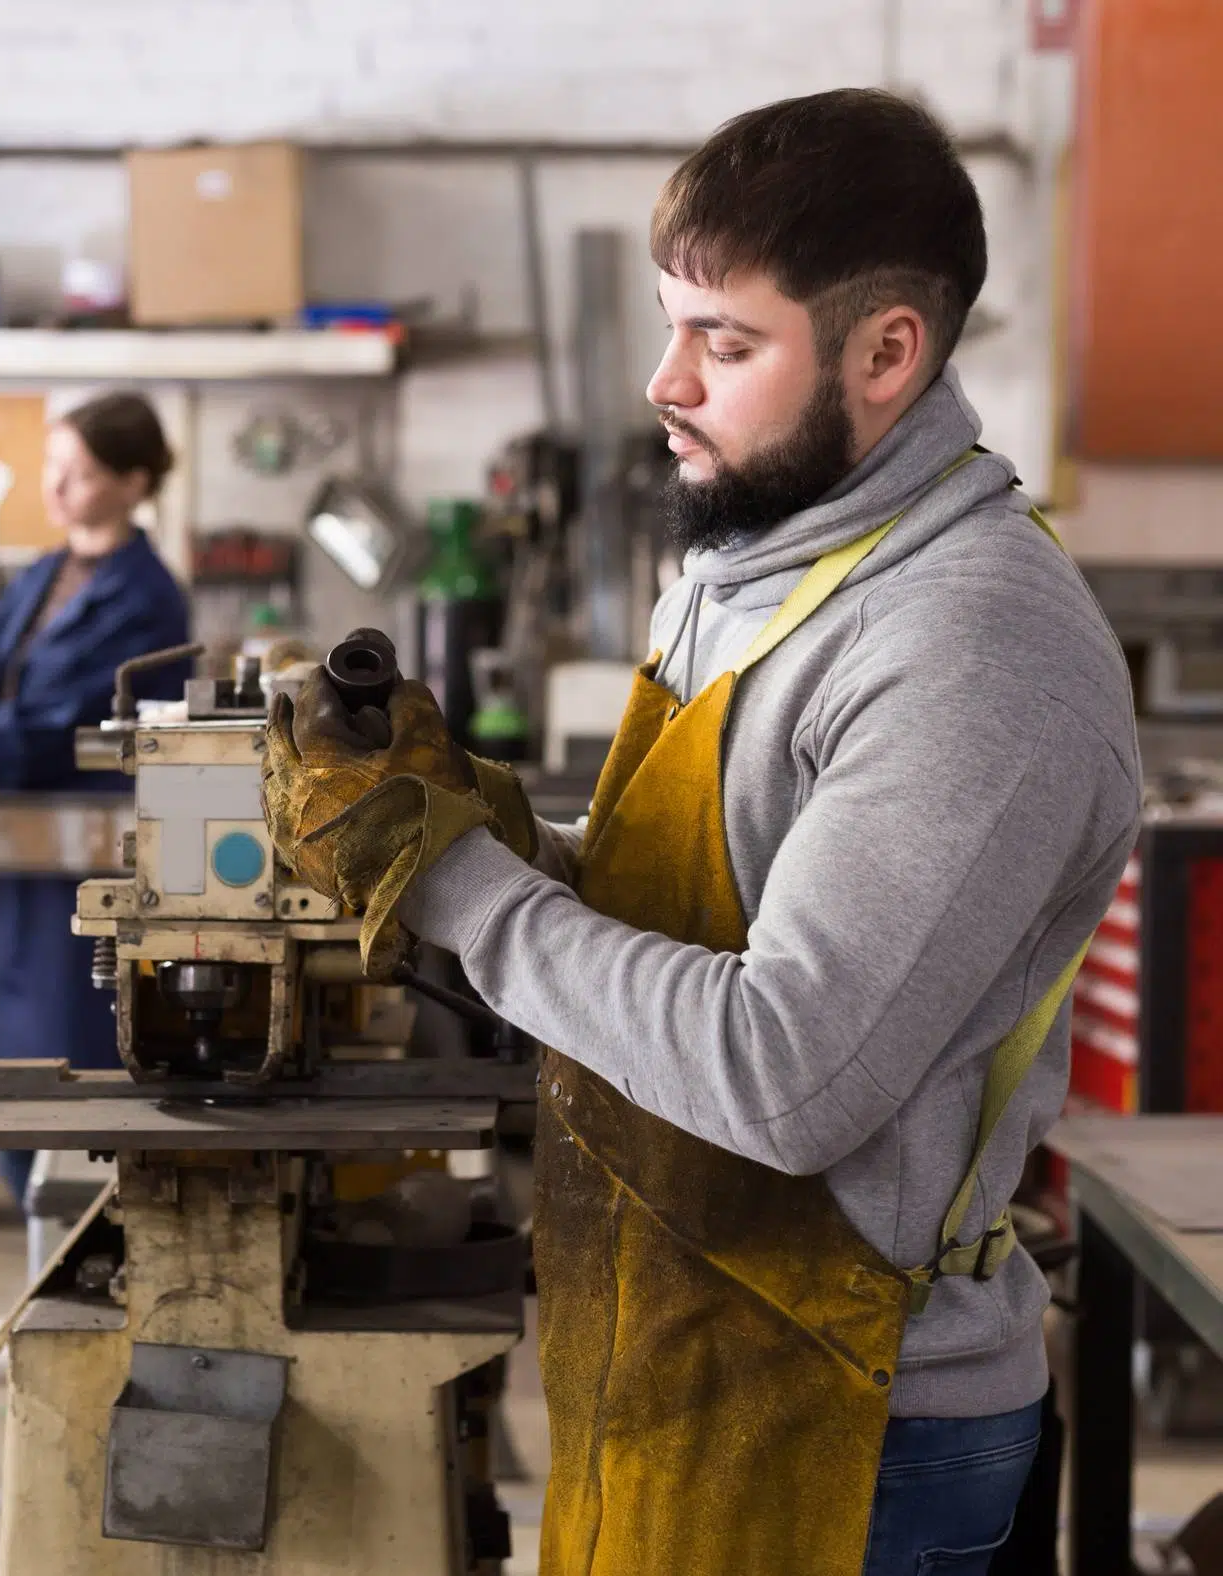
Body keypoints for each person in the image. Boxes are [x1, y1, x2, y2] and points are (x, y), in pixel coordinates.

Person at [262, 90, 1141, 1576]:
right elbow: (676, 921)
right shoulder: (746, 559)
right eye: (670, 327)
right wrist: (479, 827)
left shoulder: (968, 645)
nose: (664, 383)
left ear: (883, 353)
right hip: (673, 1344)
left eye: (723, 345)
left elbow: (780, 1071)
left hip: (854, 1425)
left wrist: (458, 886)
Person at [0, 390, 192, 1209]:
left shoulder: (145, 598)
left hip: (77, 846)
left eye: (82, 473)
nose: (58, 489)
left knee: (57, 1042)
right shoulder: (46, 572)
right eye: (52, 468)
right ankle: (24, 1196)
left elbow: (51, 725)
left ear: (134, 483)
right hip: (4, 840)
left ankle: (68, 1216)